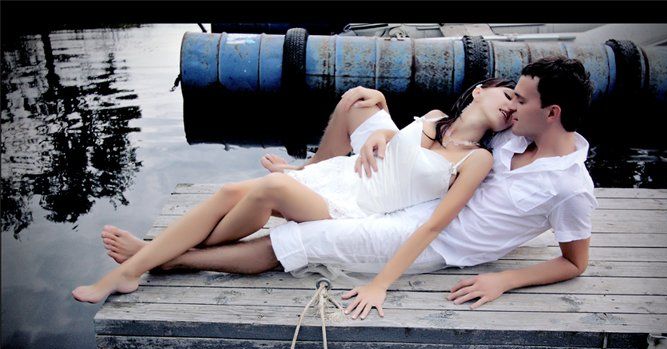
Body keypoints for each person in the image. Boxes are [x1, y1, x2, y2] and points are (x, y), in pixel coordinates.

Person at [88, 56, 597, 321]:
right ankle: (151, 259)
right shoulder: (513, 139)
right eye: (511, 97)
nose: (513, 107)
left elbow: (575, 262)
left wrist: (503, 280)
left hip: (429, 234)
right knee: (235, 192)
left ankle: (163, 259)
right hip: (389, 199)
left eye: (521, 100)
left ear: (550, 112)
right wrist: (381, 130)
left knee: (289, 224)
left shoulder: (566, 183)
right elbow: (434, 134)